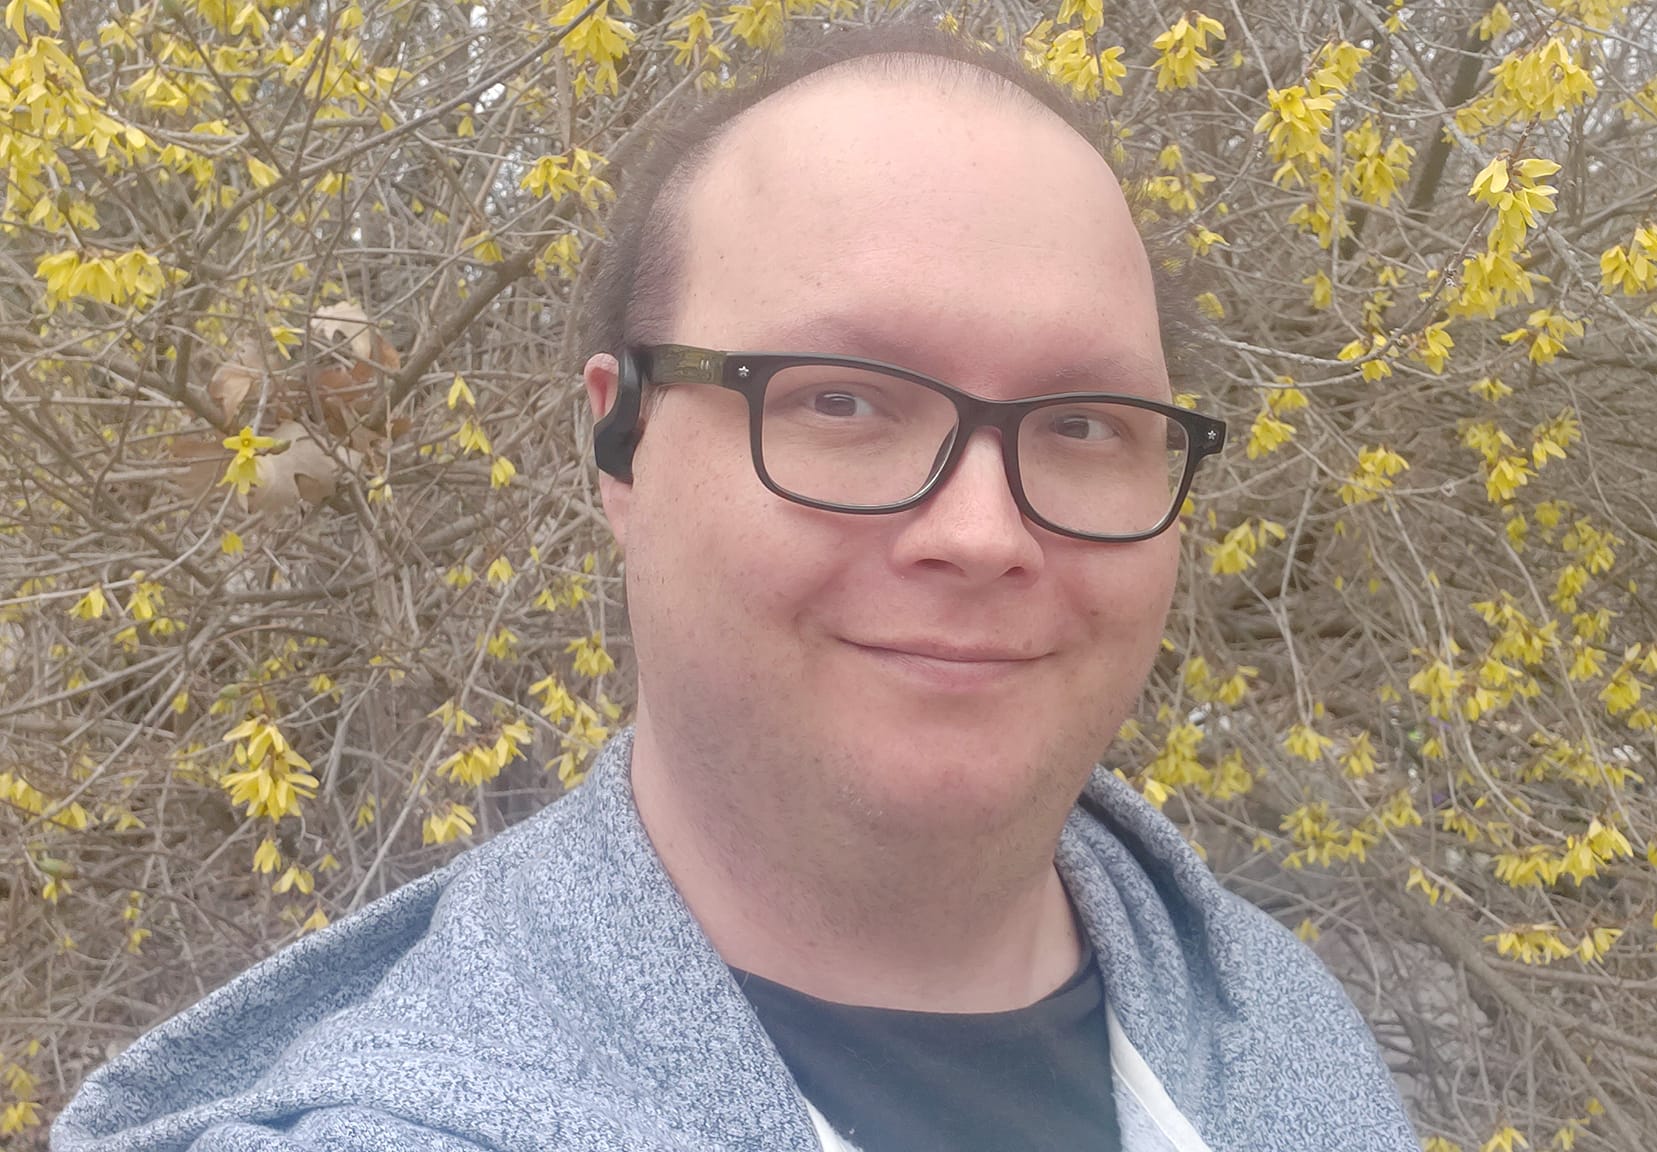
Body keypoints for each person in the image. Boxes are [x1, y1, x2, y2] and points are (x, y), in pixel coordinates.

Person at [52, 22, 1417, 1152]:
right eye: (840, 401)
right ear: (624, 445)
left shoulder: (1294, 1039)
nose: (985, 532)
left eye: (1082, 424)